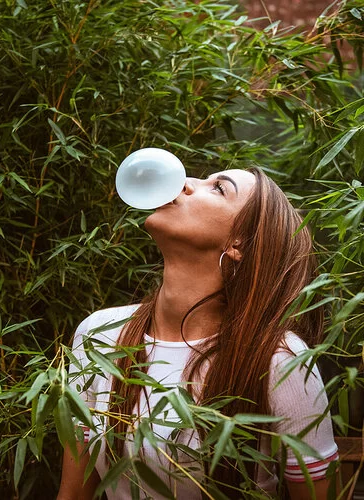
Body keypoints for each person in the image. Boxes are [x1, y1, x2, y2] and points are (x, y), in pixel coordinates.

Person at [57, 167, 339, 500]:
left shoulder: (281, 360)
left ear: (240, 244)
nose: (184, 183)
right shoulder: (99, 334)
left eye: (219, 188)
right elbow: (73, 492)